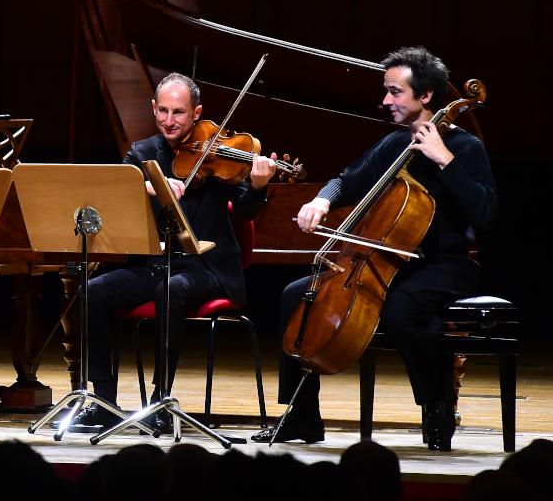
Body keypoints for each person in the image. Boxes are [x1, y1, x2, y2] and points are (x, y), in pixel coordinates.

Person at [252, 46, 497, 451]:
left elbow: (485, 212)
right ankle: (301, 417)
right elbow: (347, 178)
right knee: (296, 295)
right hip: (385, 263)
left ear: (427, 96)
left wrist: (444, 161)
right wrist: (323, 200)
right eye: (387, 92)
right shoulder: (395, 144)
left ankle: (436, 404)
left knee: (403, 312)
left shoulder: (466, 148)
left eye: (395, 92)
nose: (386, 101)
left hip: (441, 265)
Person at [69, 72, 276, 432]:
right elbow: (117, 199)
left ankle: (160, 402)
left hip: (207, 267)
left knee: (172, 288)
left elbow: (244, 210)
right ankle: (104, 401)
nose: (169, 121)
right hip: (153, 265)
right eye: (162, 111)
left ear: (196, 113)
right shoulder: (142, 153)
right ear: (153, 108)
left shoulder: (218, 155)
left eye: (178, 113)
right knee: (91, 293)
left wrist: (258, 187)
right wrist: (149, 187)